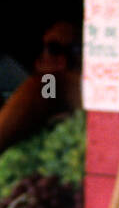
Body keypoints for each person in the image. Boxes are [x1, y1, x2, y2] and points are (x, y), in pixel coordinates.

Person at [0, 20, 81, 154]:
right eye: (41, 48)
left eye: (52, 49)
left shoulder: (52, 83)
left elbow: (48, 90)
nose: (42, 57)